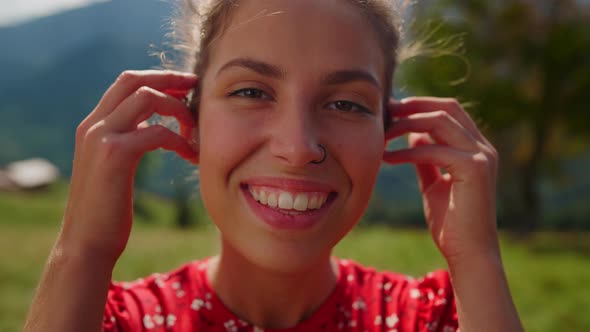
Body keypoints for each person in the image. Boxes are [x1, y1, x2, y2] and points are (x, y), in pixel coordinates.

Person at [24, 0, 524, 331]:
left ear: (389, 129)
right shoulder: (112, 320)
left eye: (348, 103)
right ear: (190, 120)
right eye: (251, 92)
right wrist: (82, 252)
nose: (298, 146)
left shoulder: (437, 320)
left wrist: (477, 260)